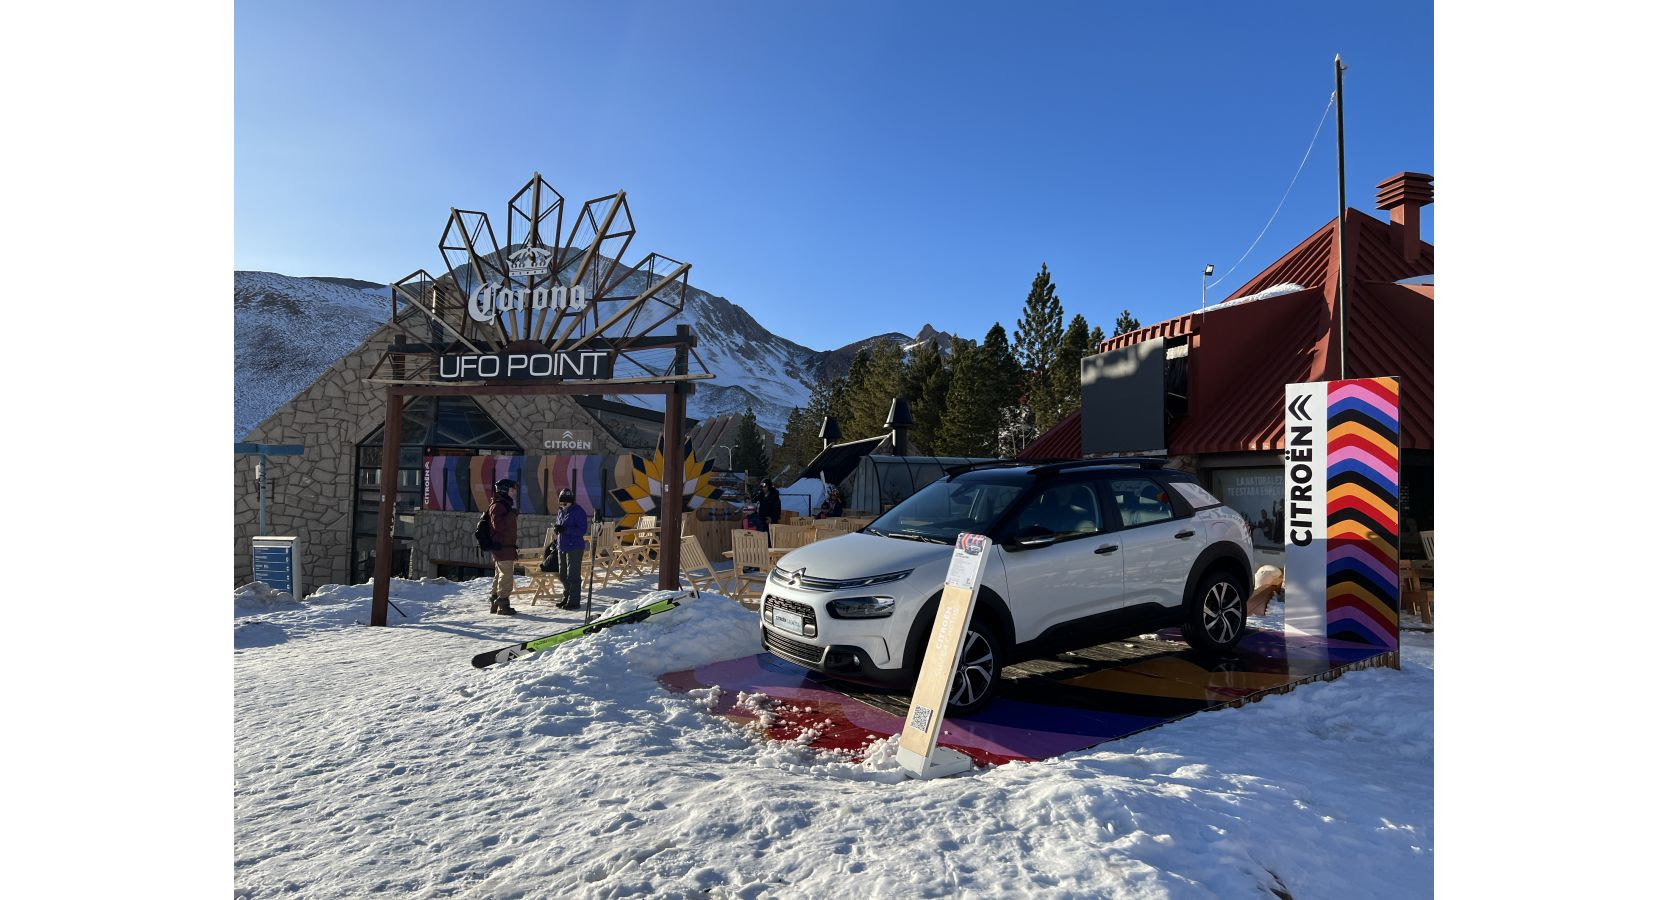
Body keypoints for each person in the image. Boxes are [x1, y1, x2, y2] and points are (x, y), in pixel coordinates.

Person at [546, 488, 589, 610]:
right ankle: (567, 597)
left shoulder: (578, 511)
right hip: (562, 546)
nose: (563, 505)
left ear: (571, 502)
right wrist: (557, 529)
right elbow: (561, 525)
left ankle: (574, 601)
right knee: (563, 575)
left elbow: (582, 529)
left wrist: (565, 530)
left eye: (565, 503)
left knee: (573, 575)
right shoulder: (561, 511)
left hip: (574, 547)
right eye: (561, 503)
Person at [487, 478, 520, 615]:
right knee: (506, 575)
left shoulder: (503, 504)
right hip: (503, 547)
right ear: (505, 490)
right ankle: (503, 604)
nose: (514, 493)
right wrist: (511, 515)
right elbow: (499, 526)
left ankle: (495, 602)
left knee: (499, 574)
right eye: (512, 490)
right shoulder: (499, 505)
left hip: (504, 546)